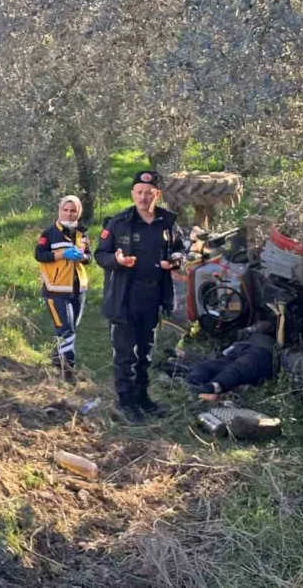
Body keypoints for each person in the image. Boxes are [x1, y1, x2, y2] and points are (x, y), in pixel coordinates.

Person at [95, 171, 186, 423]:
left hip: (153, 294)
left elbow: (180, 249)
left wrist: (177, 260)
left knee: (145, 351)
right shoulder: (118, 222)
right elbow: (100, 255)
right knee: (126, 353)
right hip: (125, 295)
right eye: (139, 192)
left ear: (157, 194)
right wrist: (117, 260)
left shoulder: (167, 222)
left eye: (149, 193)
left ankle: (142, 398)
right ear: (133, 193)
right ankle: (125, 402)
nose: (144, 197)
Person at [34, 195, 92, 380]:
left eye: (72, 210)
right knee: (66, 330)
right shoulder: (49, 233)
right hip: (55, 289)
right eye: (65, 210)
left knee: (71, 329)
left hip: (78, 289)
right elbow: (40, 255)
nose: (68, 213)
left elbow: (89, 257)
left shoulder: (82, 234)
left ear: (78, 212)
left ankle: (57, 361)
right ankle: (68, 371)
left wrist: (82, 257)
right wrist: (62, 254)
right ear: (59, 210)